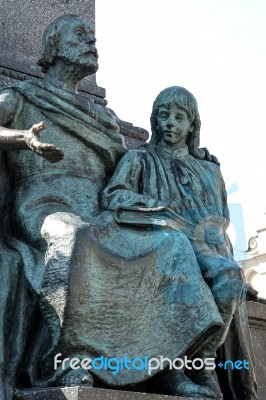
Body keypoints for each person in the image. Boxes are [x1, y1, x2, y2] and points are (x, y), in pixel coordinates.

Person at [101, 86, 257, 399]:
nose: (170, 122)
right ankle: (170, 370)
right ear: (155, 121)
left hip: (203, 246)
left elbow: (221, 219)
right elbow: (113, 195)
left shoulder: (211, 171)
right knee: (176, 265)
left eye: (179, 117)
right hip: (158, 241)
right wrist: (149, 202)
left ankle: (202, 361)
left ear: (192, 125)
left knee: (229, 278)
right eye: (163, 115)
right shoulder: (138, 159)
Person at [0, 14, 125, 399]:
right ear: (52, 48)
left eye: (92, 36)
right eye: (80, 34)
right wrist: (22, 137)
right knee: (73, 235)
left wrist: (187, 156)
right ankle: (62, 360)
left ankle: (175, 370)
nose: (92, 41)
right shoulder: (19, 98)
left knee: (170, 246)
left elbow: (137, 167)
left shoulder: (105, 119)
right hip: (42, 205)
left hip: (104, 211)